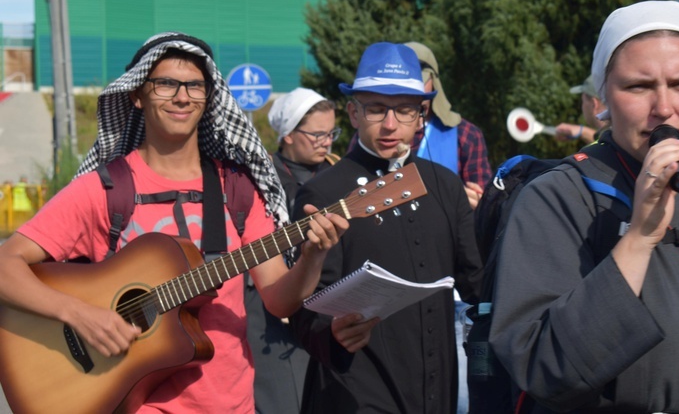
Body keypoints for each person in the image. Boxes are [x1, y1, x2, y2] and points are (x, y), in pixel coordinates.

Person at [0, 32, 348, 412]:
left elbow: (280, 301)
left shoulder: (237, 189)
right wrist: (79, 314)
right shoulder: (103, 190)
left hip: (233, 404)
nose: (182, 97)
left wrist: (314, 254)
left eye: (195, 86)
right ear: (137, 93)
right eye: (166, 83)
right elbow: (5, 266)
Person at [489, 0, 679, 413]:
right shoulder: (556, 198)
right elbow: (545, 369)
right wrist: (640, 238)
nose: (664, 107)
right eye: (639, 87)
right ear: (603, 100)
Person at [290, 42, 483, 413]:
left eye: (405, 110)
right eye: (376, 109)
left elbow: (476, 281)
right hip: (354, 390)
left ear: (421, 115)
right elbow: (305, 306)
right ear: (353, 113)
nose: (391, 124)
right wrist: (329, 331)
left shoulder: (444, 185)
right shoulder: (324, 191)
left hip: (435, 390)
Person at [246, 87, 340, 413]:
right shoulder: (260, 179)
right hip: (274, 314)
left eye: (331, 133)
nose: (326, 142)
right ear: (287, 135)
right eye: (316, 134)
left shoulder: (337, 173)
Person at [349, 41, 492, 209]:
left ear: (434, 82)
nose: (390, 125)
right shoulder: (371, 131)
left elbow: (484, 202)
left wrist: (480, 203)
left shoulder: (466, 135)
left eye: (420, 80)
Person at [554, 75, 608, 144]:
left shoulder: (609, 145)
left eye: (583, 101)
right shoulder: (619, 135)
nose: (582, 106)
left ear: (594, 104)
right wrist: (582, 131)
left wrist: (582, 131)